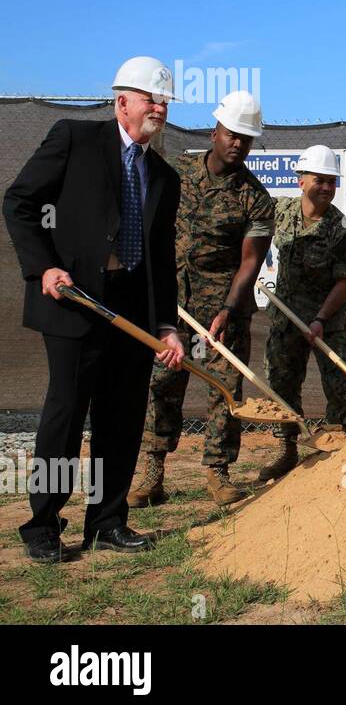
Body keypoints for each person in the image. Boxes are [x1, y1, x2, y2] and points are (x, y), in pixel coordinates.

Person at [2, 56, 185, 562]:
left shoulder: (164, 177)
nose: (160, 108)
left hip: (130, 310)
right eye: (153, 98)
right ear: (122, 101)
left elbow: (162, 257)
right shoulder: (74, 139)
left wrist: (165, 324)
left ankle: (107, 521)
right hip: (73, 302)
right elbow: (18, 201)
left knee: (122, 415)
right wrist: (44, 267)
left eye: (165, 100)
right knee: (67, 410)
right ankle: (42, 525)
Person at [131, 90, 274, 507]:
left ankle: (218, 473)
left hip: (223, 308)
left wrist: (229, 309)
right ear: (215, 131)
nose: (238, 144)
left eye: (246, 138)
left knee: (224, 389)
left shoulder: (256, 198)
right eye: (232, 134)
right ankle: (152, 471)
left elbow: (250, 262)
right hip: (170, 303)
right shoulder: (177, 173)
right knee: (163, 383)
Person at [258, 146, 346, 481]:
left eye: (331, 181)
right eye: (319, 180)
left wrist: (320, 319)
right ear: (301, 180)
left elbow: (343, 283)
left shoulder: (343, 230)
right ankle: (286, 449)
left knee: (340, 386)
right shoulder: (281, 211)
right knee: (282, 383)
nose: (326, 187)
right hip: (287, 318)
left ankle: (345, 449)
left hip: (327, 322)